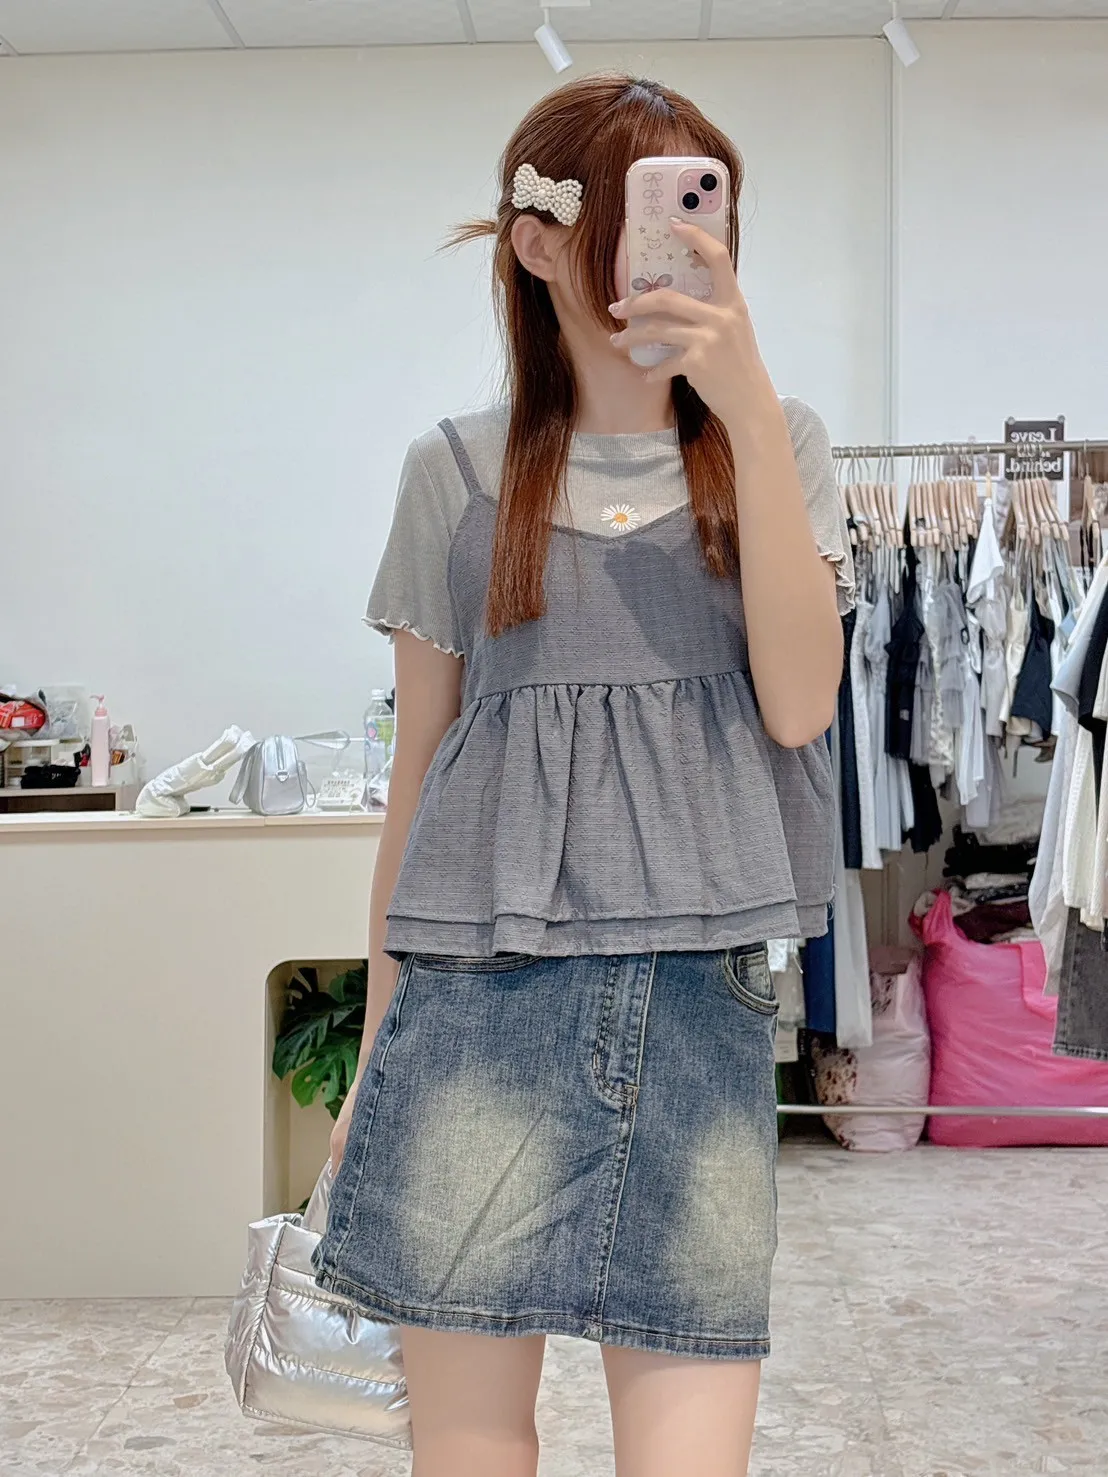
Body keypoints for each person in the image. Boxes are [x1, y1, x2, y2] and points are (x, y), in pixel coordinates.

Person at [314, 73, 854, 1477]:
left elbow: (802, 707)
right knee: (473, 1441)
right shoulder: (455, 473)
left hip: (699, 994)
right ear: (543, 240)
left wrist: (744, 406)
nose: (685, 247)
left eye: (706, 214)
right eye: (646, 211)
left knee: (689, 1447)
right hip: (475, 997)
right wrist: (375, 1049)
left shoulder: (778, 447)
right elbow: (421, 778)